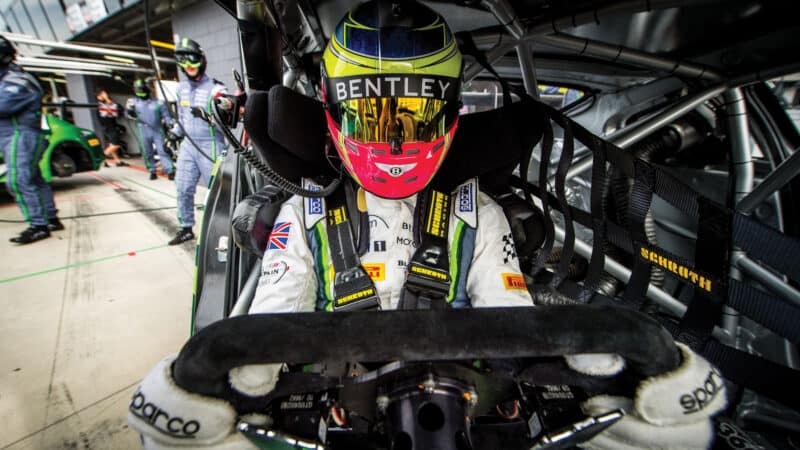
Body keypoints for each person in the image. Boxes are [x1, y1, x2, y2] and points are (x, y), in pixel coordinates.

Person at [128, 2, 727, 449]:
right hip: (339, 407)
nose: (391, 138)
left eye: (412, 115)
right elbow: (265, 321)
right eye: (371, 114)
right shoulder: (304, 213)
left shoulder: (475, 210)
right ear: (335, 119)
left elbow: (515, 324)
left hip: (473, 400)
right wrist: (217, 382)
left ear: (450, 117)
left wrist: (599, 368)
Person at [1, 34, 63, 244]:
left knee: (18, 180)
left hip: (21, 134)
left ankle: (38, 225)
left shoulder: (16, 79)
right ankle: (50, 218)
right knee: (34, 178)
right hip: (15, 135)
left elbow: (4, 105)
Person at [167, 38, 228, 245]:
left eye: (193, 60)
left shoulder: (216, 89)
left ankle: (222, 230)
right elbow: (182, 117)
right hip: (188, 145)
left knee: (217, 191)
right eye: (184, 62)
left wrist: (209, 116)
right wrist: (175, 132)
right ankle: (185, 227)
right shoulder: (181, 89)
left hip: (211, 143)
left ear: (202, 60)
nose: (189, 66)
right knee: (182, 187)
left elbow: (227, 123)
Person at [126, 79, 175, 180]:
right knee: (147, 151)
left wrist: (170, 124)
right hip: (143, 129)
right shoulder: (133, 102)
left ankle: (170, 170)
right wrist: (130, 111)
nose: (141, 93)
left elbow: (166, 115)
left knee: (163, 150)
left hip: (157, 129)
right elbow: (128, 115)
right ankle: (152, 170)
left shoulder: (158, 103)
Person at [96, 89, 129, 168]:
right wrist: (106, 98)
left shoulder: (105, 103)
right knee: (116, 145)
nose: (106, 95)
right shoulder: (100, 105)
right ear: (98, 96)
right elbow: (111, 109)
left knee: (112, 144)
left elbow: (118, 108)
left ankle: (118, 161)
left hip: (109, 126)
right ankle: (100, 159)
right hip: (109, 126)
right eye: (103, 94)